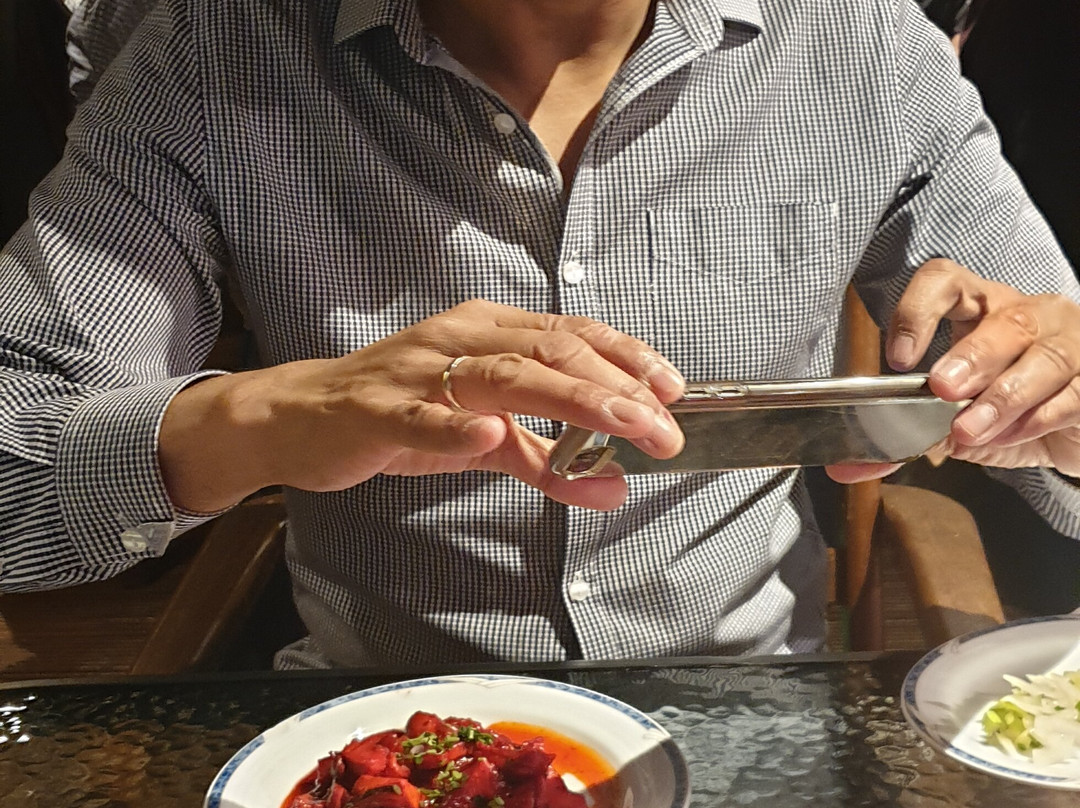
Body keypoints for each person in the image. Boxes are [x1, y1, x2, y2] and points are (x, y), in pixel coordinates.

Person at [1, 0, 1079, 670]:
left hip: (738, 705)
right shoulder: (211, 53)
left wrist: (1056, 404)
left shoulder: (863, 48)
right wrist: (262, 416)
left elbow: (1059, 414)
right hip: (389, 716)